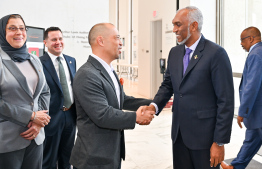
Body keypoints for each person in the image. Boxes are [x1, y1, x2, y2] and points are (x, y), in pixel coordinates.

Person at [141, 6, 235, 168]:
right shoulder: (175, 53)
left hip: (205, 139)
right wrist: (153, 106)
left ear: (193, 26)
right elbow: (168, 85)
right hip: (179, 136)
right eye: (173, 25)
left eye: (178, 25)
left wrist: (219, 142)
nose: (174, 30)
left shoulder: (216, 54)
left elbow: (225, 101)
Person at [69, 23, 155, 169]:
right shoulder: (87, 74)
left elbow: (123, 99)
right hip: (93, 158)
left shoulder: (108, 70)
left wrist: (155, 102)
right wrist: (136, 117)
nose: (121, 43)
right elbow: (102, 114)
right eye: (117, 38)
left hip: (110, 153)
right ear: (101, 41)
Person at [0, 14, 50, 169]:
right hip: (7, 139)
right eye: (12, 28)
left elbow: (44, 92)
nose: (19, 32)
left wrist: (39, 122)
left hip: (35, 137)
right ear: (2, 32)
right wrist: (30, 116)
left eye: (22, 28)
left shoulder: (33, 59)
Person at [221, 27, 262, 169]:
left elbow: (252, 86)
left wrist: (243, 111)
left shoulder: (256, 54)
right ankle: (235, 167)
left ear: (251, 39)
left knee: (252, 138)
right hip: (258, 112)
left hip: (258, 110)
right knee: (252, 139)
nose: (241, 43)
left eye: (242, 40)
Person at [40, 27, 77, 169]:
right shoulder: (39, 62)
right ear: (45, 42)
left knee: (68, 158)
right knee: (48, 160)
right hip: (51, 117)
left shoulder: (71, 61)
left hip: (70, 116)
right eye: (54, 39)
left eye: (60, 38)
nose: (58, 42)